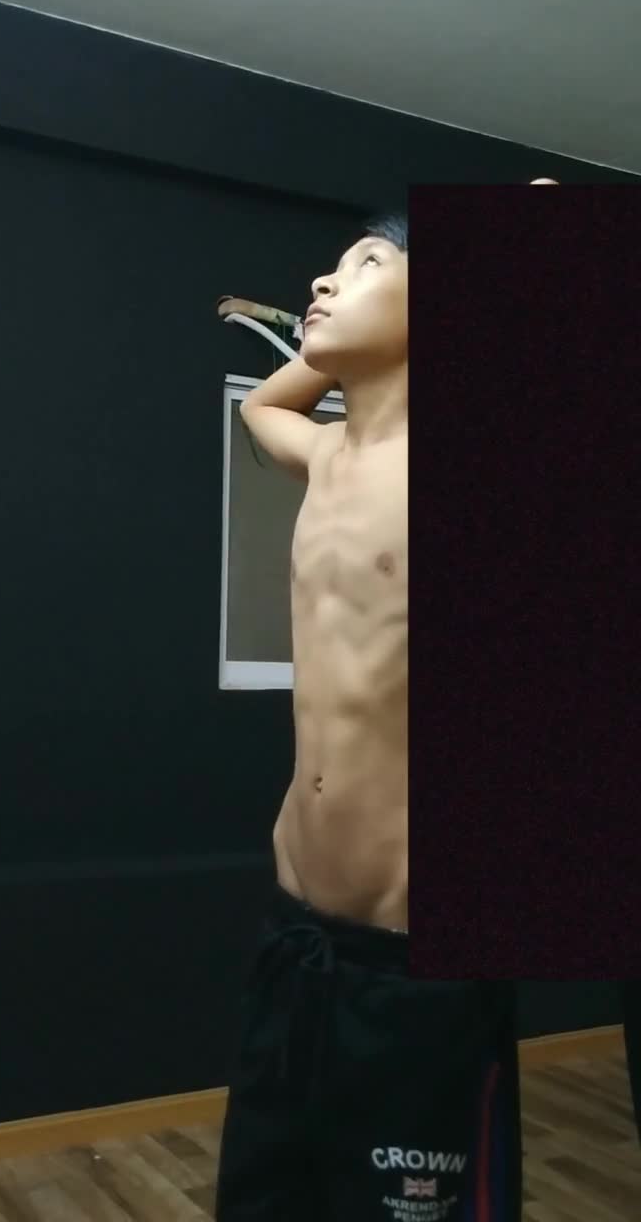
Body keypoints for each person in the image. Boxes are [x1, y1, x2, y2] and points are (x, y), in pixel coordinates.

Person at [215, 209, 522, 1222]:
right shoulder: (326, 455)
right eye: (331, 265)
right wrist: (328, 333)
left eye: (368, 263)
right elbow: (265, 404)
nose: (324, 278)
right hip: (295, 938)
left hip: (414, 972)